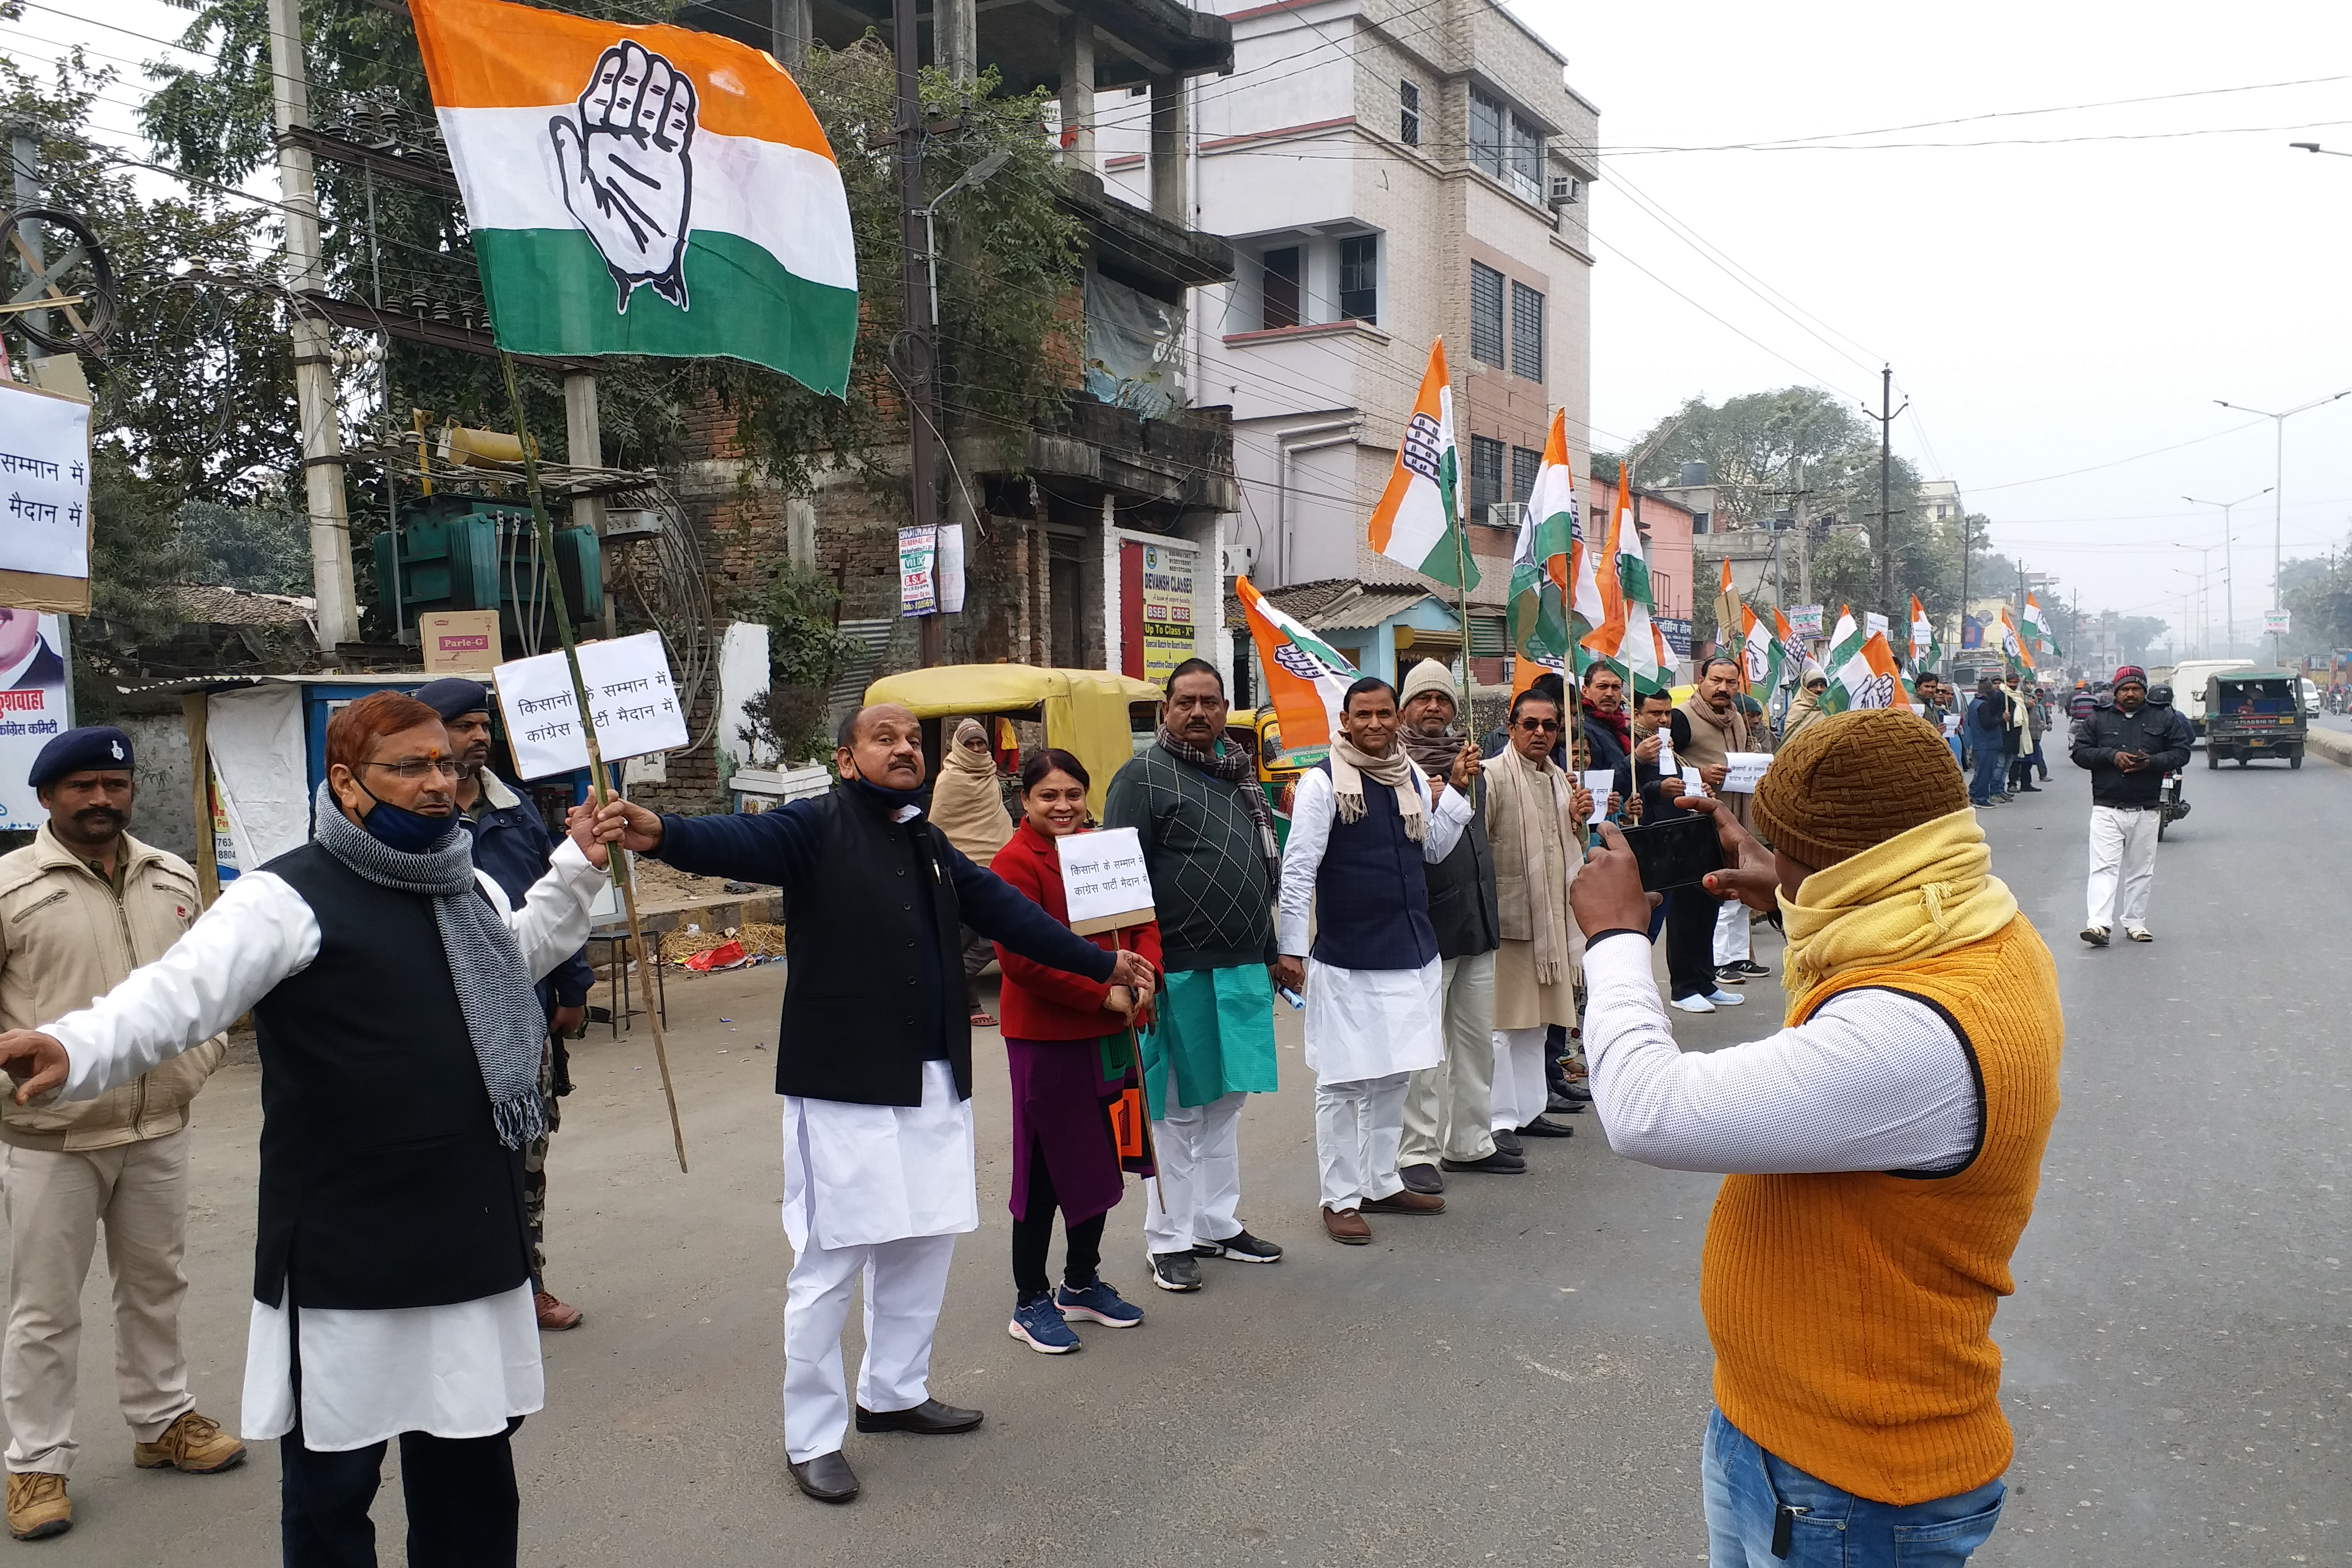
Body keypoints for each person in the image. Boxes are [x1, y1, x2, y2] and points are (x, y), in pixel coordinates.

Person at [0, 692, 611, 1566]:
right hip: (347, 1243)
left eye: (445, 763)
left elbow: (509, 958)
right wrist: (71, 1043)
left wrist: (577, 867)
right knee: (333, 1483)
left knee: (470, 1469)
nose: (439, 783)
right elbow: (176, 996)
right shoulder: (286, 896)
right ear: (346, 783)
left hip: (465, 1228)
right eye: (409, 767)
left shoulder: (465, 881)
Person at [590, 703, 1149, 1505]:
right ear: (847, 758)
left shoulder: (926, 839)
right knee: (831, 1261)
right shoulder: (814, 826)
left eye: (910, 741)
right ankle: (811, 1438)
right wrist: (662, 832)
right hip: (845, 1086)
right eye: (881, 739)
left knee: (923, 1243)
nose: (901, 750)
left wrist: (1105, 968)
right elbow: (736, 841)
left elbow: (1008, 914)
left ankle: (894, 1394)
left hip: (932, 1080)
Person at [1570, 709, 2063, 1568]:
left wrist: (1615, 943)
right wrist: (1789, 894)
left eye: (1788, 846)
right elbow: (1860, 937)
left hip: (1846, 1490)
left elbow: (1647, 1108)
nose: (1774, 855)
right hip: (1782, 1439)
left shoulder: (1917, 1031)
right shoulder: (1970, 924)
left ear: (1854, 868)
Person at [0, 728, 243, 1544]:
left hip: (158, 1124)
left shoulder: (172, 876)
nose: (102, 799)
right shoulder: (10, 887)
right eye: (82, 787)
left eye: (115, 783)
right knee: (43, 1309)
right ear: (46, 797)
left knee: (156, 1284)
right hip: (50, 1138)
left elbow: (211, 988)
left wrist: (197, 1064)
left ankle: (163, 1422)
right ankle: (36, 1464)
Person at [417, 677, 594, 1334]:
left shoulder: (514, 809)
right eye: (464, 725)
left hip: (526, 1016)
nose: (480, 736)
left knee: (529, 1157)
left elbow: (552, 899)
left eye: (484, 724)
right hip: (450, 1022)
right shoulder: (421, 822)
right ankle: (465, 1287)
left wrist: (574, 987)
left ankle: (531, 1282)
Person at [1102, 659, 1285, 1293]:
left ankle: (1216, 1222)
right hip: (1176, 972)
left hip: (1239, 967)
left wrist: (1269, 950)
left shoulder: (1238, 774)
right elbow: (1120, 887)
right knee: (1176, 1111)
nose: (1199, 713)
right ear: (1166, 710)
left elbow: (1258, 872)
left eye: (1210, 702)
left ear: (1225, 706)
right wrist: (1131, 971)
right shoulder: (1142, 777)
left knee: (1225, 1105)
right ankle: (1168, 1238)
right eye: (1187, 702)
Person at [1276, 677, 1476, 1244]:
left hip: (1412, 954)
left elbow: (1430, 849)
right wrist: (1291, 949)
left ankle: (1381, 1182)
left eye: (1384, 714)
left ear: (1396, 717)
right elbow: (1298, 870)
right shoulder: (1320, 783)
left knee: (1393, 1077)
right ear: (1345, 720)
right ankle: (1339, 1198)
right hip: (1347, 957)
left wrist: (1456, 792)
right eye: (1363, 715)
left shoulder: (1410, 774)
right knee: (1342, 1083)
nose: (1375, 725)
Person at [987, 750, 1158, 1354]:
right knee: (1044, 1170)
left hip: (1111, 1035)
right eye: (1047, 796)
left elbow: (1142, 925)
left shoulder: (1104, 849)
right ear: (1024, 802)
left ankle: (1080, 1282)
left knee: (1104, 1156)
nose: (1062, 807)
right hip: (1048, 1038)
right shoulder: (1015, 864)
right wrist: (1099, 996)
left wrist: (1144, 979)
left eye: (1073, 795)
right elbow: (1021, 958)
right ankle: (1029, 1299)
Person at [1392, 661, 1516, 1195]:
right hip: (1426, 929)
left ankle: (1469, 1140)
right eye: (1424, 700)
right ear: (1405, 710)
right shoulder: (1392, 768)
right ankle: (1415, 1150)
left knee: (1475, 1043)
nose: (1435, 708)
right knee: (1423, 1053)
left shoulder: (1472, 765)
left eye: (1443, 699)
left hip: (1477, 922)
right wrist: (1446, 793)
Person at [1483, 687, 1592, 1153]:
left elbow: (1572, 848)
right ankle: (1499, 1120)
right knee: (1504, 1028)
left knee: (1539, 1024)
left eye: (1550, 726)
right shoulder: (1490, 777)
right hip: (1508, 919)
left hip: (1552, 921)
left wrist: (1579, 820)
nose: (1541, 733)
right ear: (1512, 729)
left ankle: (1528, 1112)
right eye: (1531, 724)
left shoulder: (1559, 781)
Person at [2069, 665, 2191, 947]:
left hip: (2147, 809)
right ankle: (2099, 925)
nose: (2131, 693)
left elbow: (2181, 752)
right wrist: (2112, 756)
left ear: (2145, 691)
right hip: (2107, 808)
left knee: (2141, 870)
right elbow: (2079, 752)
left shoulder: (2164, 717)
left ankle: (2135, 923)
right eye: (2125, 689)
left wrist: (2152, 763)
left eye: (2136, 689)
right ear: (2116, 691)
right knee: (2103, 868)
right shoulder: (2098, 720)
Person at [1663, 658, 1756, 1014]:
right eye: (1716, 680)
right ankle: (1684, 987)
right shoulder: (1683, 718)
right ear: (1701, 681)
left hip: (1728, 827)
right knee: (1688, 909)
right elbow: (1661, 761)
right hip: (1691, 829)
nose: (1723, 688)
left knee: (1711, 906)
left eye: (1731, 682)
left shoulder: (1736, 718)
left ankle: (1705, 981)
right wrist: (1698, 772)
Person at [931, 718, 1017, 1027]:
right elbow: (941, 827)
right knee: (969, 938)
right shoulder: (950, 779)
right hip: (961, 870)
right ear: (959, 746)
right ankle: (966, 1000)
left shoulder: (991, 775)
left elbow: (995, 820)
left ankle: (954, 992)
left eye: (982, 743)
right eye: (971, 744)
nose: (978, 749)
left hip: (998, 865)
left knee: (988, 935)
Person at [1964, 677, 2008, 808]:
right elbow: (1987, 724)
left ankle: (1974, 793)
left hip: (1981, 742)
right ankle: (1980, 798)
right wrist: (2002, 719)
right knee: (1986, 772)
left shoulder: (1975, 703)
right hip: (1987, 743)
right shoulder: (1983, 705)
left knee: (1982, 771)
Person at [2002, 673, 2039, 796]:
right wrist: (2027, 706)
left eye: (2015, 683)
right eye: (2011, 682)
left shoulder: (2029, 696)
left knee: (2029, 760)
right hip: (2017, 733)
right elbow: (2016, 713)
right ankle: (2012, 784)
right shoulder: (2010, 696)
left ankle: (2026, 784)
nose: (2013, 685)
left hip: (2030, 733)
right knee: (2016, 761)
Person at [1779, 665, 1829, 744]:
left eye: (1822, 686)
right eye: (1814, 686)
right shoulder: (1798, 709)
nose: (1819, 690)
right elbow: (1790, 742)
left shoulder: (1829, 709)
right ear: (1806, 688)